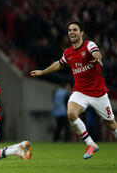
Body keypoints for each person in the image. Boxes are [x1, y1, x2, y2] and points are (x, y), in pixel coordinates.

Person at [30, 21, 117, 159]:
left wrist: (97, 57)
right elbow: (59, 64)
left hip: (98, 93)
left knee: (111, 125)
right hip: (80, 91)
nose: (71, 32)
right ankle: (90, 143)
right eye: (69, 30)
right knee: (71, 112)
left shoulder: (89, 45)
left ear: (81, 33)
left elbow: (96, 53)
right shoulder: (68, 53)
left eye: (75, 29)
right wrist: (42, 72)